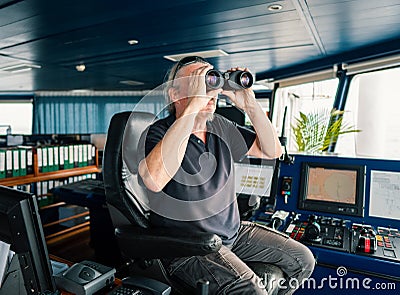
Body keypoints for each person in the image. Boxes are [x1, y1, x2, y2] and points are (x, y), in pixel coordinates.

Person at [136, 56, 315, 294]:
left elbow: (273, 150)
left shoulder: (221, 127)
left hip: (233, 233)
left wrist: (249, 104)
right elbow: (153, 180)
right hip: (189, 246)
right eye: (196, 80)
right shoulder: (158, 132)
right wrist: (192, 107)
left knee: (303, 260)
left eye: (209, 78)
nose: (208, 87)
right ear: (174, 94)